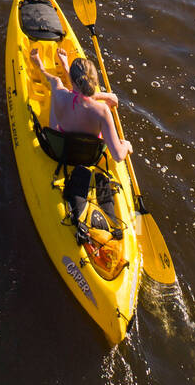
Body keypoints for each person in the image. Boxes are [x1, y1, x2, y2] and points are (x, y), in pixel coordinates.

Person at [30, 45, 132, 240]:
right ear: (95, 82)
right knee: (80, 96)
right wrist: (126, 144)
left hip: (62, 149)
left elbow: (57, 83)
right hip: (88, 157)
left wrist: (41, 66)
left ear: (73, 81)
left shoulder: (59, 91)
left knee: (57, 86)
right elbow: (118, 155)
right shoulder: (102, 112)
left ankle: (41, 63)